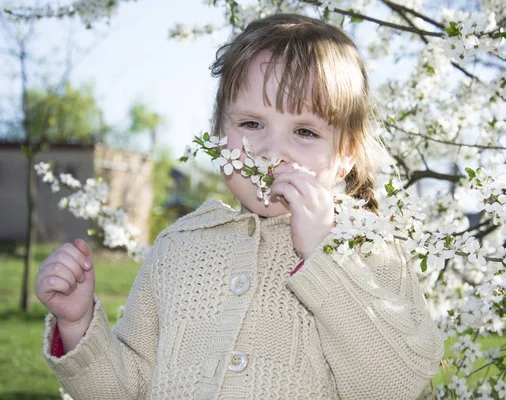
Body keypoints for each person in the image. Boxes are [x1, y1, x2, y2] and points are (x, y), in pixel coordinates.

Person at [36, 13, 444, 399]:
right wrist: (77, 323)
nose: (271, 151)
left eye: (304, 131)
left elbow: (393, 385)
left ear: (346, 153)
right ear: (218, 132)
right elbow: (128, 388)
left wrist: (325, 256)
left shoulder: (368, 249)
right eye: (251, 124)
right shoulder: (177, 248)